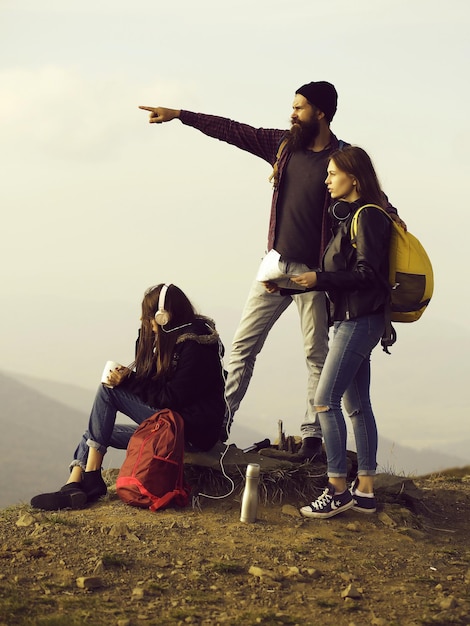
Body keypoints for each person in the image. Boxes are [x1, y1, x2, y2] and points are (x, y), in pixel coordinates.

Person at [139, 82, 399, 461]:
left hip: (317, 275)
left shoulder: (342, 158)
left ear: (321, 113)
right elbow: (233, 130)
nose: (292, 114)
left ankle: (312, 438)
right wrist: (181, 115)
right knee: (243, 346)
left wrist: (396, 222)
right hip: (275, 268)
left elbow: (375, 199)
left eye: (299, 108)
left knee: (316, 354)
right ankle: (214, 427)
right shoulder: (283, 146)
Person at [30, 283, 226, 511]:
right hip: (171, 426)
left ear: (163, 317)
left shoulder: (195, 347)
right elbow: (152, 380)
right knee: (98, 430)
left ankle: (92, 477)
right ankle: (73, 484)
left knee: (108, 391)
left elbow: (170, 397)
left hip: (188, 432)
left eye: (149, 319)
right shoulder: (174, 338)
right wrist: (145, 343)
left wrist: (129, 381)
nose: (149, 325)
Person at [283, 146, 392, 518]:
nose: (326, 181)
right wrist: (292, 286)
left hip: (360, 321)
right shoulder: (351, 219)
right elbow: (341, 275)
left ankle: (337, 488)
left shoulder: (370, 217)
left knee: (324, 400)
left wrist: (319, 278)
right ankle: (365, 491)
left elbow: (367, 276)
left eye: (332, 174)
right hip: (353, 319)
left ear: (354, 178)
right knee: (358, 406)